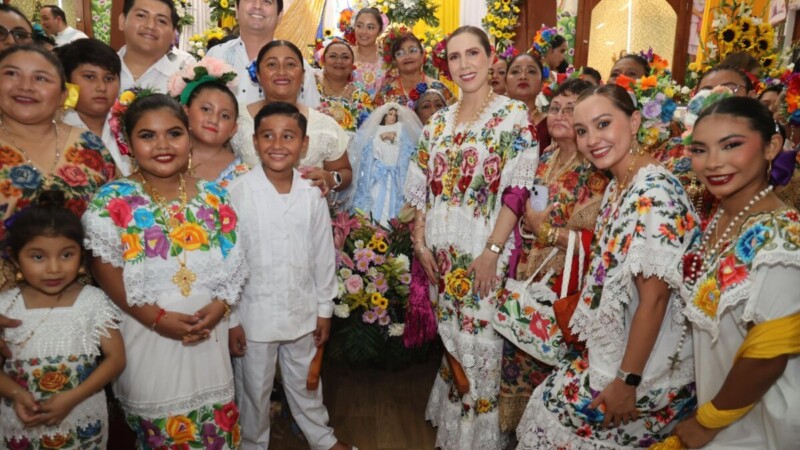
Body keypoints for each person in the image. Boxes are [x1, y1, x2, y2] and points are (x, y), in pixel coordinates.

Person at [516, 85, 698, 448]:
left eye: (603, 124)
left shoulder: (653, 193)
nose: (591, 140)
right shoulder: (620, 183)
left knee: (554, 415)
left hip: (652, 367)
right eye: (582, 130)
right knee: (548, 406)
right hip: (620, 350)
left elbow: (655, 300)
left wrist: (627, 383)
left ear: (633, 121)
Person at [84, 94, 247, 448]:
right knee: (161, 435)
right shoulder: (112, 201)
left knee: (216, 432)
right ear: (128, 143)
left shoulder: (214, 197)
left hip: (209, 336)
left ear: (189, 136)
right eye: (147, 135)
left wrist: (218, 309)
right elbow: (105, 271)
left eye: (173, 133)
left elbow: (234, 263)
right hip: (147, 336)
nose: (162, 145)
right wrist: (158, 319)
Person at [405, 26, 538, 449]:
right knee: (452, 337)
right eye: (455, 56)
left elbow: (517, 192)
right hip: (441, 256)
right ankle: (454, 418)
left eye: (472, 54)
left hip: (485, 253)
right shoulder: (437, 122)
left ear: (490, 56)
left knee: (482, 339)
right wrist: (421, 244)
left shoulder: (514, 117)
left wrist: (492, 251)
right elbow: (420, 190)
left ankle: (476, 435)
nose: (464, 65)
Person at [674, 97, 800, 449]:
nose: (713, 163)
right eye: (700, 150)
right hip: (723, 404)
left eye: (732, 145)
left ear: (772, 146)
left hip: (761, 422)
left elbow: (768, 356)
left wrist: (708, 421)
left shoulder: (780, 239)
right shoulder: (723, 216)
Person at [228, 101, 351, 450]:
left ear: (304, 144)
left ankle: (322, 437)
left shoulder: (311, 193)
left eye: (288, 136)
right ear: (254, 142)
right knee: (254, 388)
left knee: (305, 381)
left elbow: (323, 255)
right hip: (255, 314)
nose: (277, 144)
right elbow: (230, 261)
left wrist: (324, 309)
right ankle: (252, 442)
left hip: (302, 308)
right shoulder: (238, 193)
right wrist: (232, 318)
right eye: (267, 136)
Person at [496, 78, 608, 432]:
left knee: (550, 368)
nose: (559, 115)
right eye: (555, 108)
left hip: (564, 288)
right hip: (527, 277)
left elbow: (600, 240)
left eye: (570, 109)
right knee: (515, 355)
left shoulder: (596, 171)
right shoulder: (542, 157)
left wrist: (544, 231)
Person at [0, 190, 126, 448]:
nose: (54, 268)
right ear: (14, 257)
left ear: (81, 254)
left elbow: (116, 359)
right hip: (21, 422)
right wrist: (18, 394)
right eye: (38, 257)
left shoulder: (92, 300)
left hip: (82, 419)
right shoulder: (5, 306)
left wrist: (71, 398)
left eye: (66, 255)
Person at [0, 45, 117, 292]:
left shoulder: (90, 146)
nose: (26, 86)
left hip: (86, 302)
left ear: (65, 94)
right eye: (12, 74)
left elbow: (121, 219)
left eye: (41, 78)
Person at [232, 40, 352, 198]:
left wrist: (332, 179)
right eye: (272, 65)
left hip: (305, 217)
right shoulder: (235, 118)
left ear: (302, 76)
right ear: (259, 76)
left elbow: (345, 172)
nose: (281, 71)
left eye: (290, 64)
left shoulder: (324, 125)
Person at [205, 0, 320, 107]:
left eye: (267, 1)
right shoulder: (215, 54)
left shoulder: (297, 66)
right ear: (237, 8)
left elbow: (312, 119)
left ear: (279, 15)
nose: (258, 6)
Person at [168, 58, 250, 187]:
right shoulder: (163, 156)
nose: (213, 120)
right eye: (206, 109)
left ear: (233, 129)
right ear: (186, 112)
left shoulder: (243, 177)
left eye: (225, 116)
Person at [55, 38, 130, 175]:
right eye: (89, 77)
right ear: (66, 80)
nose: (101, 87)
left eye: (109, 78)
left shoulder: (128, 125)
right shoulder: (54, 129)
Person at [352, 103, 422, 226]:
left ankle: (392, 229)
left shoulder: (401, 129)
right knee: (374, 197)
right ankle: (373, 227)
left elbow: (406, 152)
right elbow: (367, 155)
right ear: (384, 115)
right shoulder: (375, 130)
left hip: (395, 175)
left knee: (393, 200)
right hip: (377, 174)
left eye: (395, 115)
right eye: (390, 114)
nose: (393, 117)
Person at [117, 0, 191, 92]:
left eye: (161, 21)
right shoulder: (100, 71)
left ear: (173, 34)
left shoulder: (185, 85)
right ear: (122, 21)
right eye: (141, 15)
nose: (150, 26)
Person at [374, 31, 453, 108]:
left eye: (412, 51)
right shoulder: (385, 93)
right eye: (400, 53)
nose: (407, 57)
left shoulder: (439, 88)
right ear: (394, 60)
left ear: (423, 55)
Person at [315, 38, 373, 136]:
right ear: (323, 61)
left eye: (345, 57)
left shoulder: (362, 96)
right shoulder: (312, 86)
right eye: (333, 56)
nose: (339, 61)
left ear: (352, 64)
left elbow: (368, 134)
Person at [505, 53, 551, 149]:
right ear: (505, 83)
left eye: (531, 71)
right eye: (515, 72)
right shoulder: (492, 122)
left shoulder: (551, 123)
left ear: (542, 83)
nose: (523, 76)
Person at [351, 7, 386, 99]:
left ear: (379, 30)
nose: (364, 32)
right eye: (359, 26)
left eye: (370, 27)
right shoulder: (346, 55)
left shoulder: (387, 58)